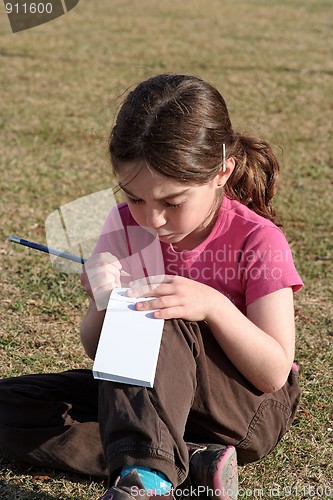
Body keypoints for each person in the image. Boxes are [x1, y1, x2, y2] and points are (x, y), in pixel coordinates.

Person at [0, 74, 303, 500]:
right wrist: (103, 304)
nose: (152, 219)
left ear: (222, 172)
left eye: (172, 202)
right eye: (135, 198)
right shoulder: (124, 224)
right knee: (12, 405)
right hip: (145, 398)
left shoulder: (257, 238)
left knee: (161, 311)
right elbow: (97, 351)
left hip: (244, 409)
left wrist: (212, 306)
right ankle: (193, 459)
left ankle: (147, 480)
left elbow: (272, 373)